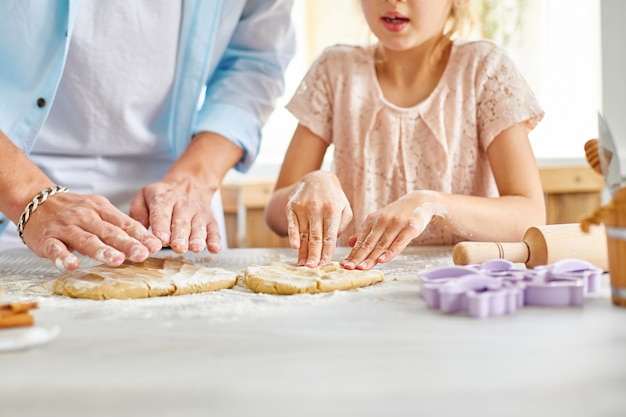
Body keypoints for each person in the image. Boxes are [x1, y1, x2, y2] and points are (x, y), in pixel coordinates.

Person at [0, 0, 295, 270]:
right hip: (12, 199)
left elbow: (254, 64)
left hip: (176, 216)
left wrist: (192, 181)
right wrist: (26, 194)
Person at [264, 0, 546, 270]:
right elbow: (275, 214)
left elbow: (530, 217)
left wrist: (433, 204)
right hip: (356, 290)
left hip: (463, 287)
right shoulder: (334, 70)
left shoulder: (486, 69)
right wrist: (312, 182)